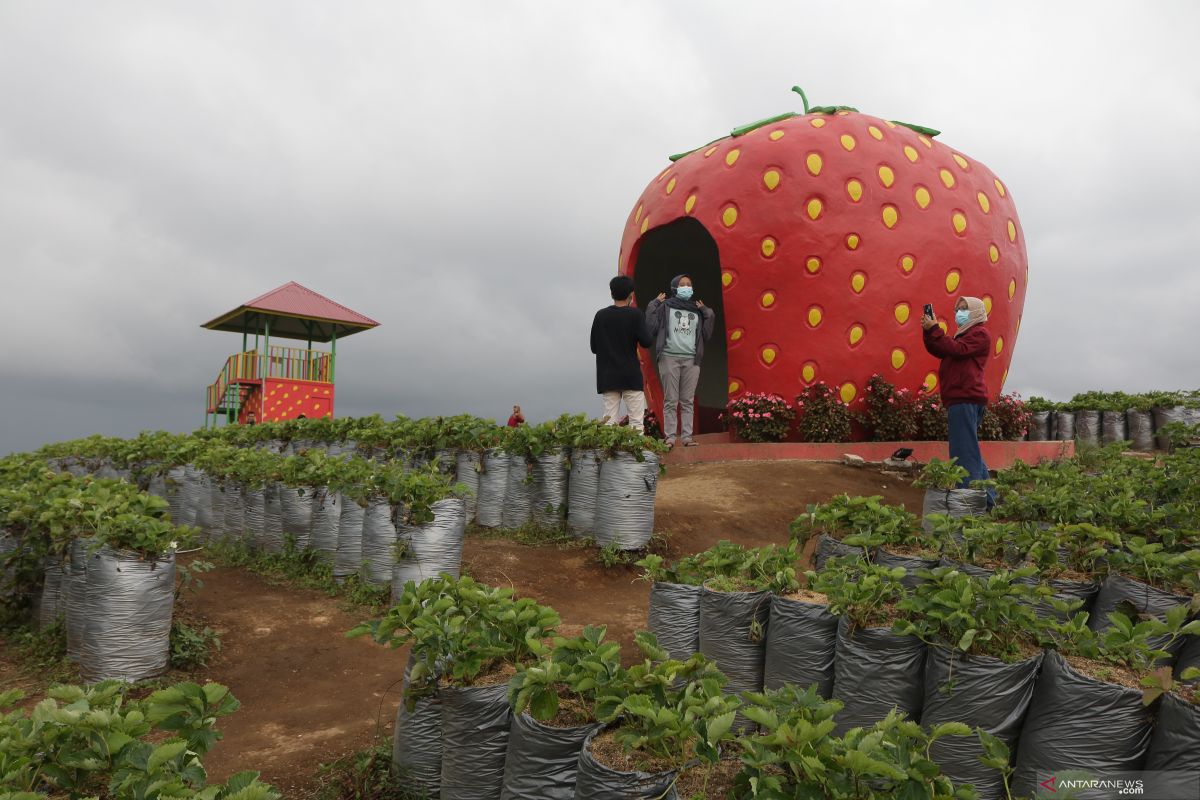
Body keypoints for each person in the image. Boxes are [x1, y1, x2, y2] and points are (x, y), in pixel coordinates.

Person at [921, 296, 997, 507]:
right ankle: (989, 500)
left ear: (976, 312)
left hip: (966, 398)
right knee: (969, 449)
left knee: (963, 452)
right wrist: (930, 330)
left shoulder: (980, 334)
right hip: (960, 398)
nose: (959, 313)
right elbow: (940, 349)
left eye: (965, 309)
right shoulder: (962, 336)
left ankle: (968, 502)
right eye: (958, 309)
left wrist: (936, 329)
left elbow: (956, 350)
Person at [645, 274, 715, 448]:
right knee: (670, 400)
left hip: (691, 359)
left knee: (687, 400)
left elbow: (706, 333)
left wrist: (707, 311)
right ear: (675, 287)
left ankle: (687, 438)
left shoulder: (696, 311)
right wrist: (653, 304)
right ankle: (670, 438)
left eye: (689, 284)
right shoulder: (665, 307)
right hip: (669, 357)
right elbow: (651, 327)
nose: (686, 287)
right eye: (682, 284)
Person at [590, 275, 653, 432]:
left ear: (612, 294)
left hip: (608, 376)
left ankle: (611, 456)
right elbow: (647, 342)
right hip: (630, 375)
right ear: (631, 294)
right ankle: (634, 456)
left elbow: (593, 347)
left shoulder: (600, 316)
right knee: (636, 424)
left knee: (609, 422)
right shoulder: (636, 314)